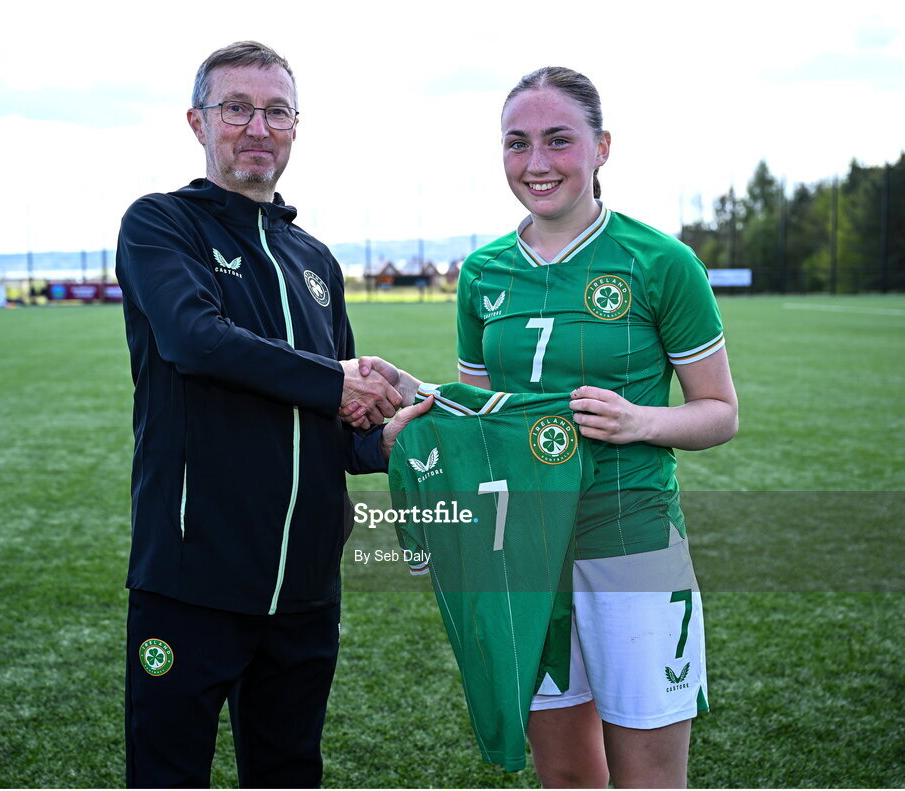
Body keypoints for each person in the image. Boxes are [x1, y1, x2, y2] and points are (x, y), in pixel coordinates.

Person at [115, 41, 427, 788]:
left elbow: (340, 428)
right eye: (237, 108)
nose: (258, 127)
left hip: (305, 589)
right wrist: (336, 379)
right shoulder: (162, 225)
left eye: (276, 110)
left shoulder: (314, 260)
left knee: (288, 772)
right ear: (198, 121)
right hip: (193, 580)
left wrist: (391, 434)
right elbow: (197, 341)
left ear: (295, 126)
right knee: (167, 775)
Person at [450, 67, 739, 788]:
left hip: (630, 543)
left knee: (648, 778)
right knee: (567, 775)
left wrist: (640, 419)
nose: (536, 163)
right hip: (527, 553)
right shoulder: (482, 272)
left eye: (558, 140)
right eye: (516, 143)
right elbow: (486, 424)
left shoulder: (660, 261)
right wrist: (418, 400)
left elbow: (718, 412)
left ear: (601, 146)